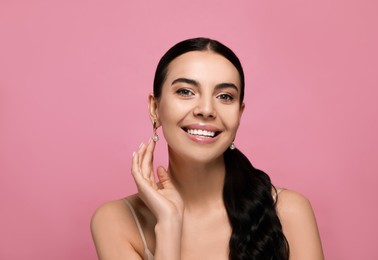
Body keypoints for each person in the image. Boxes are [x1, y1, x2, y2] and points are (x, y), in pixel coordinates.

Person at [91, 37, 324, 260]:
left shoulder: (289, 211)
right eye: (185, 92)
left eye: (224, 96)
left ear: (239, 114)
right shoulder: (116, 221)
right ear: (155, 108)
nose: (206, 109)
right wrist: (169, 223)